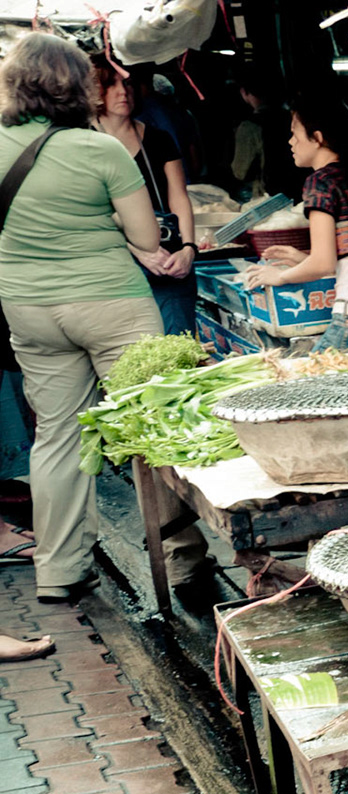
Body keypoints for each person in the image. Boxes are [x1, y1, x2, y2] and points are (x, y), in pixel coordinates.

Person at [0, 32, 209, 605]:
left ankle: (58, 571)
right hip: (111, 304)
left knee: (57, 437)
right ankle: (184, 559)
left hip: (29, 308)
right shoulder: (99, 150)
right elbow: (146, 236)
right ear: (75, 86)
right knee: (151, 423)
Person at [243, 94, 348, 352]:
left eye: (295, 134)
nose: (291, 142)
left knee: (308, 387)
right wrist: (303, 259)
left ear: (318, 138)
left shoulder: (321, 182)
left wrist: (279, 275)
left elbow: (323, 263)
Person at [92, 56, 197, 337]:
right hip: (114, 267)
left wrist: (188, 249)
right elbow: (89, 213)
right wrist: (139, 250)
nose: (122, 92)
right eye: (110, 84)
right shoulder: (83, 141)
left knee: (178, 347)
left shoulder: (158, 138)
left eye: (127, 84)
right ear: (92, 90)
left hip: (168, 261)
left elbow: (179, 198)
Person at [230, 69, 300, 200]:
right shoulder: (295, 118)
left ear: (244, 92)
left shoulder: (250, 127)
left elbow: (240, 172)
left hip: (269, 198)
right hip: (300, 190)